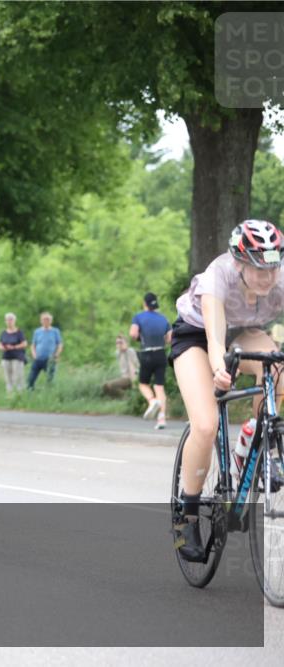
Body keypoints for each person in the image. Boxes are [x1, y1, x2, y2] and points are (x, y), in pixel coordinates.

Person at [171, 220, 284, 562]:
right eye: (257, 268)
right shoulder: (217, 274)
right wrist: (220, 369)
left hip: (246, 331)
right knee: (206, 425)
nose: (267, 276)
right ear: (239, 262)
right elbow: (215, 335)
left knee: (277, 366)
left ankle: (256, 438)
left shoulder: (280, 277)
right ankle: (186, 516)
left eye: (273, 267)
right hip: (198, 336)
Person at [130, 292, 173, 429]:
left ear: (145, 304)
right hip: (161, 353)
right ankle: (161, 419)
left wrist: (138, 338)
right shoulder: (163, 319)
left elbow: (133, 334)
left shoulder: (138, 317)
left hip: (147, 354)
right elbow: (170, 339)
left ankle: (152, 401)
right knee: (159, 387)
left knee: (143, 384)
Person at [27, 312, 63, 390]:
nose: (46, 321)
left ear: (51, 321)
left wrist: (56, 354)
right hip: (38, 359)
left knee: (50, 379)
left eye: (48, 319)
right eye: (44, 319)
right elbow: (33, 345)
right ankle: (30, 394)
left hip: (50, 360)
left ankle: (49, 396)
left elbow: (59, 344)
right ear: (41, 321)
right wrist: (34, 355)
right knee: (31, 380)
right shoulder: (37, 331)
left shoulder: (55, 331)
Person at [0, 313, 27, 396]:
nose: (9, 321)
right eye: (8, 320)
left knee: (17, 377)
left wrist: (14, 347)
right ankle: (10, 395)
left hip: (17, 357)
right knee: (8, 378)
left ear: (14, 321)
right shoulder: (3, 332)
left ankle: (20, 395)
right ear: (5, 321)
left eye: (11, 320)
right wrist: (2, 347)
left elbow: (24, 343)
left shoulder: (19, 332)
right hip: (6, 357)